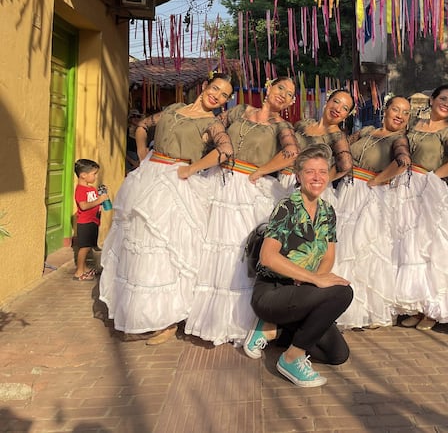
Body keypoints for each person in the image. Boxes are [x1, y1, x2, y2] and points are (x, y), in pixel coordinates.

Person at [99, 74, 234, 345]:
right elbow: (142, 126)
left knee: (170, 250)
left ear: (224, 102)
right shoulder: (173, 109)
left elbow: (226, 150)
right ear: (205, 87)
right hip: (150, 177)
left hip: (178, 184)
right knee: (141, 245)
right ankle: (142, 313)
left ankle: (168, 320)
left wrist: (193, 168)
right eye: (215, 89)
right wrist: (141, 153)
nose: (216, 96)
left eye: (223, 95)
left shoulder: (212, 123)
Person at [184, 77, 300, 346]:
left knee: (237, 252)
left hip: (248, 189)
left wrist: (261, 170)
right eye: (280, 88)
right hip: (218, 181)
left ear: (292, 103)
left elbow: (292, 152)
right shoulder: (238, 110)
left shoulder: (282, 126)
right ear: (268, 86)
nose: (283, 95)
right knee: (209, 246)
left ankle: (240, 321)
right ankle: (208, 318)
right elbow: (210, 130)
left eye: (290, 94)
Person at [243, 144, 353, 388]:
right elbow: (268, 257)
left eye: (323, 172)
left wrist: (314, 280)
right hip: (273, 292)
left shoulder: (327, 211)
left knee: (337, 355)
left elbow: (328, 256)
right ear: (299, 175)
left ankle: (278, 332)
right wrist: (314, 280)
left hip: (300, 293)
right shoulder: (287, 207)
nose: (317, 177)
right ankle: (290, 358)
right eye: (310, 172)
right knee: (343, 292)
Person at [391, 85, 448, 331]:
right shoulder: (414, 125)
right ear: (432, 100)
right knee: (410, 247)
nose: (446, 103)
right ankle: (417, 305)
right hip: (405, 188)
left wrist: (435, 176)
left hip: (428, 189)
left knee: (430, 248)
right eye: (443, 98)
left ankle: (433, 310)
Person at [333, 95, 412, 330]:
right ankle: (339, 304)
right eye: (395, 109)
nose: (399, 115)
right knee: (343, 245)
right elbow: (341, 145)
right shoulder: (366, 131)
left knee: (364, 249)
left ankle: (365, 310)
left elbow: (403, 162)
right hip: (347, 192)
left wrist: (376, 180)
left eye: (405, 112)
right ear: (385, 111)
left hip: (369, 195)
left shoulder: (399, 139)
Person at [279, 89, 354, 197]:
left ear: (346, 115)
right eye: (336, 102)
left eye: (345, 108)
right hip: (283, 180)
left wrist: (317, 180)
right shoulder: (304, 124)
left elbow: (346, 165)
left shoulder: (337, 137)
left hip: (307, 188)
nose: (338, 109)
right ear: (327, 101)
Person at [72, 159, 111, 281]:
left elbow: (94, 203)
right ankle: (79, 272)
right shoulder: (80, 190)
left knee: (89, 246)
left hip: (93, 221)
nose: (95, 176)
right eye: (93, 174)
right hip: (85, 222)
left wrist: (102, 199)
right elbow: (83, 206)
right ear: (83, 175)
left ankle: (84, 268)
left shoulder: (91, 189)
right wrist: (99, 200)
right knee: (84, 248)